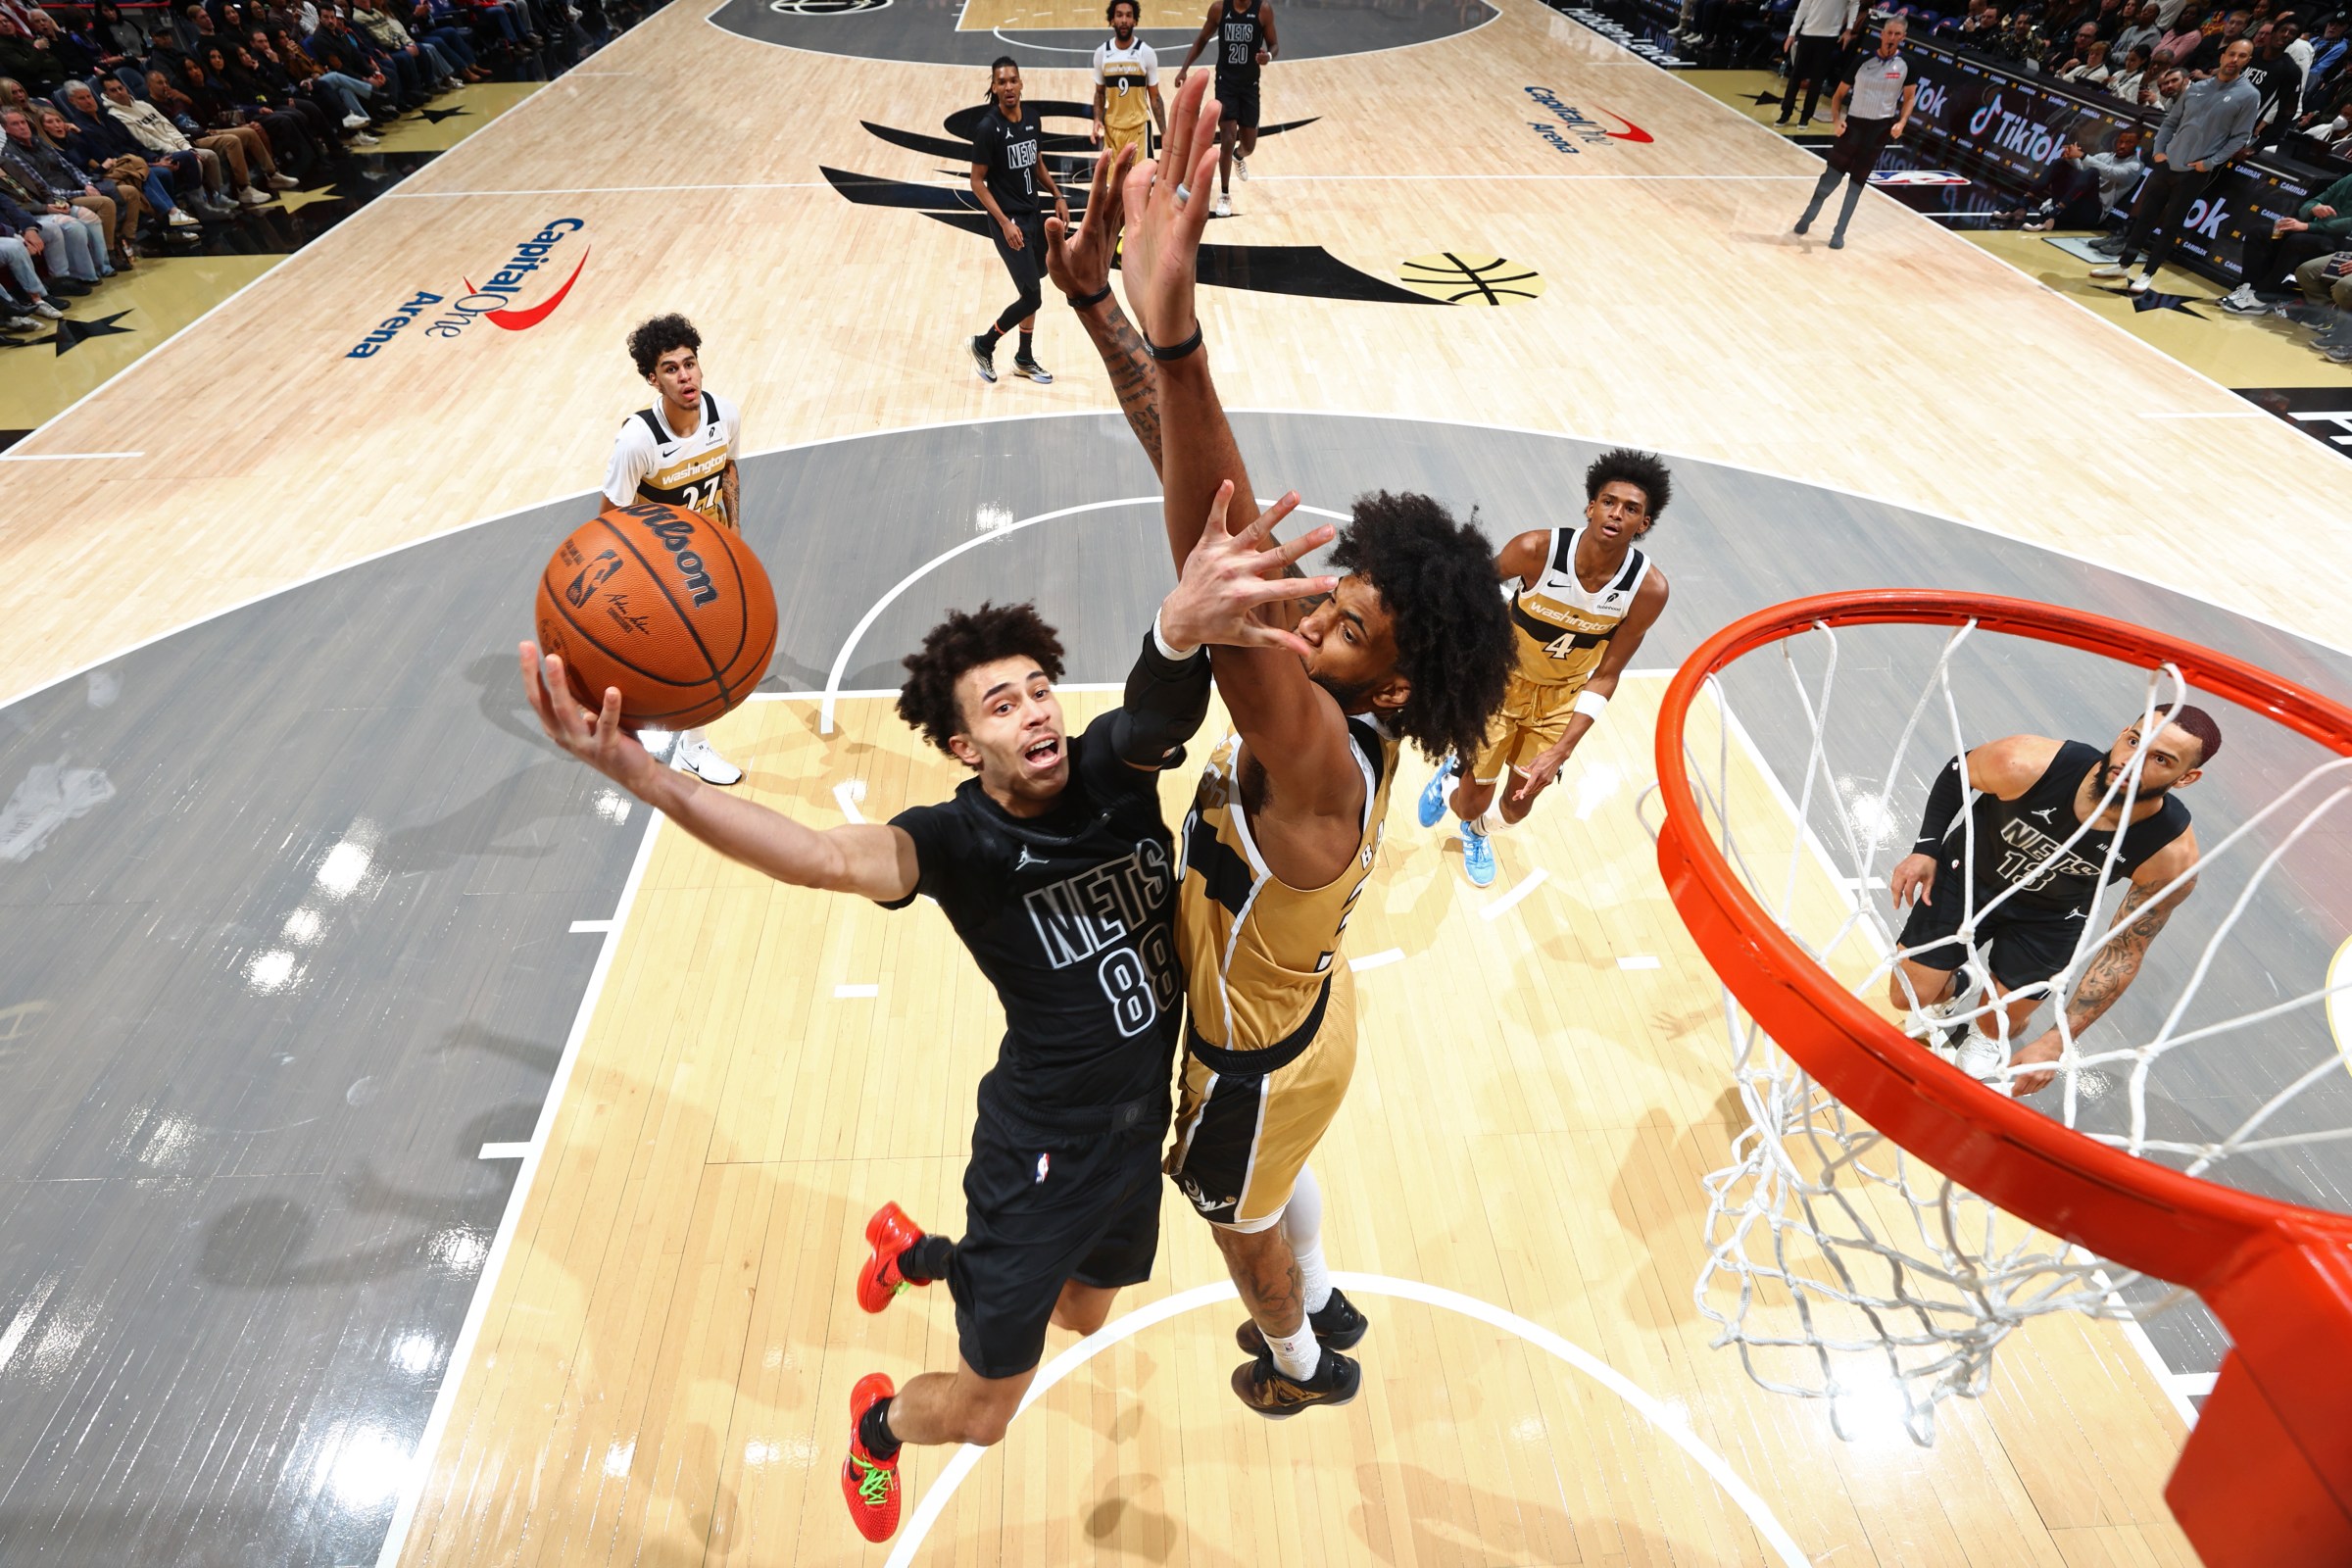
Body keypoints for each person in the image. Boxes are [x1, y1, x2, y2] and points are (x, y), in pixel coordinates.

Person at [1048, 83, 1517, 1416]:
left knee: (1233, 1218)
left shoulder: (1315, 761)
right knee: (1277, 1174)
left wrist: (1181, 333)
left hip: (1253, 1049)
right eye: (1331, 591)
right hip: (1293, 1019)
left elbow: (1210, 532)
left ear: (1396, 678)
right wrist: (1104, 313)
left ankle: (1299, 1358)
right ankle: (1322, 1296)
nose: (1310, 610)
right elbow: (1216, 520)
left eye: (1347, 619)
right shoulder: (1343, 710)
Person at [1887, 707, 2215, 1096]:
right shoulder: (2027, 762)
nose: (2132, 760)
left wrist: (2057, 1040)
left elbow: (2124, 951)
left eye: (2160, 759)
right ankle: (1957, 985)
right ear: (2123, 732)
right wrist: (1925, 849)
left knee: (2001, 1023)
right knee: (1907, 998)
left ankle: (1987, 1034)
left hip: (2053, 915)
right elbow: (1962, 770)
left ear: (2187, 778)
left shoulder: (2170, 854)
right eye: (2134, 741)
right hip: (1969, 877)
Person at [1416, 453, 1672, 889]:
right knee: (1468, 805)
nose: (1617, 513)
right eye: (1608, 502)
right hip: (1501, 684)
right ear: (1590, 507)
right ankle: (1454, 780)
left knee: (1517, 807)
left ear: (1643, 524)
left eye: (1631, 509)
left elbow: (1607, 674)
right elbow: (1471, 593)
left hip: (1561, 697)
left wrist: (1564, 749)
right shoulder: (1536, 550)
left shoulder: (1647, 590)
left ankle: (1479, 836)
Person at [602, 315, 749, 787]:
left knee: (702, 652)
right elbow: (610, 517)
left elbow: (727, 470)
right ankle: (691, 747)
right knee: (692, 657)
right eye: (671, 368)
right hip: (660, 563)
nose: (685, 376)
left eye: (690, 364)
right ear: (653, 378)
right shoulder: (637, 440)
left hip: (711, 551)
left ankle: (686, 742)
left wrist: (736, 536)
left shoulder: (724, 414)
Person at [2092, 36, 2257, 291]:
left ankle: (2147, 274)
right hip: (2167, 163)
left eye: (2242, 56)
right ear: (2223, 56)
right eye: (2232, 54)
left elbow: (2239, 138)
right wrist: (2159, 150)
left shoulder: (2248, 95)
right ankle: (2123, 265)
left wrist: (2210, 162)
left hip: (2195, 171)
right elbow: (2171, 122)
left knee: (2170, 224)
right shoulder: (2197, 88)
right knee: (2145, 217)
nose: (2235, 60)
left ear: (2248, 61)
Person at [966, 58, 1067, 387]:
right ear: (994, 88)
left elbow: (1035, 160)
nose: (1008, 87)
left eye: (1013, 80)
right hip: (1008, 221)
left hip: (1032, 215)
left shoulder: (1032, 118)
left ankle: (1024, 358)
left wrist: (1057, 194)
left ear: (1021, 83)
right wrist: (1005, 223)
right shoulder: (988, 129)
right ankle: (984, 344)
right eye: (1001, 82)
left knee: (1034, 284)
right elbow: (977, 182)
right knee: (1032, 296)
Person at [1792, 17, 1916, 249]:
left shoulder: (1908, 65)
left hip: (1879, 130)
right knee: (1831, 177)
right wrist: (1837, 120)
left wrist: (1902, 121)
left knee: (1857, 183)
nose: (1892, 38)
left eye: (1897, 34)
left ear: (1903, 38)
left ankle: (1839, 232)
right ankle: (1808, 216)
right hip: (1854, 126)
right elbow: (1838, 95)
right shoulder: (1862, 61)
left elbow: (1910, 98)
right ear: (1881, 34)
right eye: (1889, 33)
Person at [1173, 0, 1274, 217]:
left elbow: (1274, 45)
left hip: (1249, 86)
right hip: (1226, 84)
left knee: (1249, 145)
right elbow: (1202, 39)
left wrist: (1269, 56)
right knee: (1227, 138)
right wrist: (1184, 69)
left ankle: (1239, 156)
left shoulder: (1263, 9)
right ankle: (1225, 195)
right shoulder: (1219, 9)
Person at [101, 74, 236, 219]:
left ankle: (217, 196)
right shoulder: (116, 116)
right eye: (113, 90)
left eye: (120, 88)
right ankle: (203, 207)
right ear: (106, 95)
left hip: (178, 147)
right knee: (194, 160)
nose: (119, 92)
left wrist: (186, 147)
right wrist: (179, 151)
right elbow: (148, 141)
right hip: (159, 152)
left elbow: (170, 127)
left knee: (210, 155)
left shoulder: (143, 105)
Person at [2220, 164, 2352, 309]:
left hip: (2341, 241)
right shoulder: (2348, 179)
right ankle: (2247, 288)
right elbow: (2312, 202)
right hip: (2313, 229)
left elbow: (2348, 225)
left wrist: (2308, 226)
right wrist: (2315, 208)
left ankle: (2263, 297)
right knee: (2259, 233)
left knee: (2298, 241)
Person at [1092, 0, 1165, 169]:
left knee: (1141, 186)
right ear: (1112, 20)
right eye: (1119, 15)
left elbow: (1155, 97)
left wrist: (1164, 133)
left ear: (1135, 21)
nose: (1124, 20)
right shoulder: (1101, 53)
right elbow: (1100, 93)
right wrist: (1097, 119)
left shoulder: (1146, 53)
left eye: (1128, 15)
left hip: (1139, 129)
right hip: (1112, 131)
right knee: (1113, 189)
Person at [1781, 0, 1858, 126]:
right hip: (1807, 32)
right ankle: (1785, 113)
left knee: (1817, 79)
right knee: (1796, 76)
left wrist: (1849, 29)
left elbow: (1854, 4)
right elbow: (1803, 6)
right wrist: (1792, 33)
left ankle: (1805, 117)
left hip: (1829, 36)